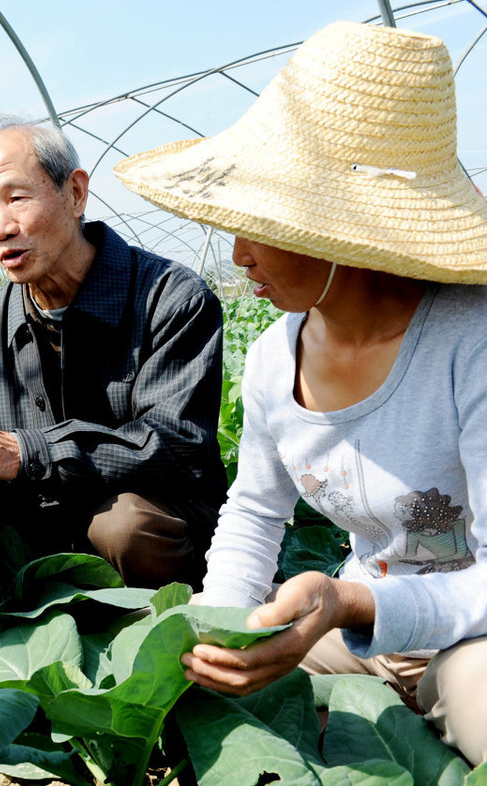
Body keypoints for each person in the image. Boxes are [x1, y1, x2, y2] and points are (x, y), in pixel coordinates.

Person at [115, 20, 487, 763]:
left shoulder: (470, 344)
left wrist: (348, 601)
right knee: (180, 687)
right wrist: (219, 634)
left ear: (338, 232)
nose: (237, 253)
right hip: (352, 639)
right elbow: (254, 514)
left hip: (469, 639)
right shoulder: (269, 361)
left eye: (262, 225)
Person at [0, 118, 227, 592]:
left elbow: (176, 447)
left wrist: (28, 452)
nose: (0, 228)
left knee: (121, 524)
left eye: (16, 198)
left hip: (158, 534)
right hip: (43, 540)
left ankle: (180, 629)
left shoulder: (170, 299)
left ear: (75, 193)